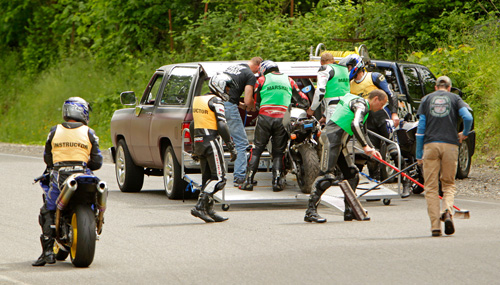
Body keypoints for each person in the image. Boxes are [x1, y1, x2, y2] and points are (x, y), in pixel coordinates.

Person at [33, 97, 103, 266]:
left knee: (48, 209)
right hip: (82, 173)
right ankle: (99, 218)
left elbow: (47, 159)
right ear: (83, 112)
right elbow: (97, 161)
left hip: (60, 175)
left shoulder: (54, 131)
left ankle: (48, 252)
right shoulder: (89, 132)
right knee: (97, 192)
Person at [304, 89, 387, 223]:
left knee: (352, 174)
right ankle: (310, 212)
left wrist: (372, 149)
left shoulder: (362, 107)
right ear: (376, 99)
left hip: (339, 142)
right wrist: (365, 147)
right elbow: (355, 125)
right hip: (331, 139)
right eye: (382, 104)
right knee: (326, 176)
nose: (381, 108)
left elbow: (363, 132)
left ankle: (350, 210)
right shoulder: (361, 105)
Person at [239, 60, 310, 192]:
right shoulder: (289, 80)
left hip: (265, 118)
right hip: (282, 118)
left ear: (263, 70)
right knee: (279, 152)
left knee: (257, 149)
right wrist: (296, 105)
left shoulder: (261, 80)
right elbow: (304, 99)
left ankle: (248, 181)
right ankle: (277, 182)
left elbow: (257, 102)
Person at [416, 76, 472, 237]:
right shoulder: (455, 98)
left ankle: (435, 227)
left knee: (431, 187)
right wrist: (464, 134)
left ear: (435, 87)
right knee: (448, 184)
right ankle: (447, 211)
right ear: (449, 88)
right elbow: (468, 117)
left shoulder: (426, 100)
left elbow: (421, 129)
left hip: (430, 145)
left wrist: (419, 154)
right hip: (450, 145)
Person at [345, 54, 404, 195]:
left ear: (357, 66)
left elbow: (391, 94)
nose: (348, 70)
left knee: (393, 148)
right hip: (366, 118)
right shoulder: (349, 83)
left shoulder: (374, 77)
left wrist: (394, 113)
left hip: (381, 116)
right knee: (371, 152)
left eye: (350, 67)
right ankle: (375, 183)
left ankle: (405, 180)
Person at [190, 72, 238, 223]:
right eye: (227, 88)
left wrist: (193, 146)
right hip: (211, 140)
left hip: (199, 140)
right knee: (220, 179)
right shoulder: (216, 101)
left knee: (207, 178)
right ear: (219, 86)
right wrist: (231, 146)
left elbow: (192, 125)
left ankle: (208, 209)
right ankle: (199, 206)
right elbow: (222, 124)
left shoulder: (199, 100)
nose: (228, 91)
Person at [223, 57, 263, 187]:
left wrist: (239, 105)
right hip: (228, 107)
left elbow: (229, 93)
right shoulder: (250, 75)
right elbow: (247, 100)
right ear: (258, 66)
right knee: (242, 144)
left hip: (215, 103)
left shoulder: (233, 68)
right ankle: (239, 178)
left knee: (215, 141)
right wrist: (252, 106)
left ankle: (215, 175)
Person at [307, 52, 350, 122]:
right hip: (347, 106)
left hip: (333, 107)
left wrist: (312, 108)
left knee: (332, 132)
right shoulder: (344, 69)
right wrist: (325, 115)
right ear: (333, 61)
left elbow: (320, 91)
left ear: (321, 62)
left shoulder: (325, 69)